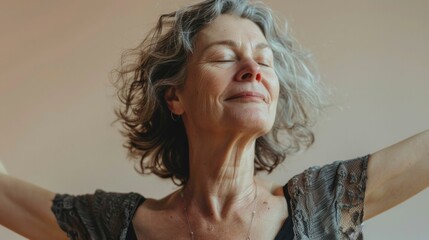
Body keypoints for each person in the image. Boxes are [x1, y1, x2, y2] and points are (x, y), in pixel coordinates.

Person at [1, 0, 428, 239]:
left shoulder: (323, 205)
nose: (252, 70)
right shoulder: (117, 227)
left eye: (264, 61)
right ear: (175, 97)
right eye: (224, 56)